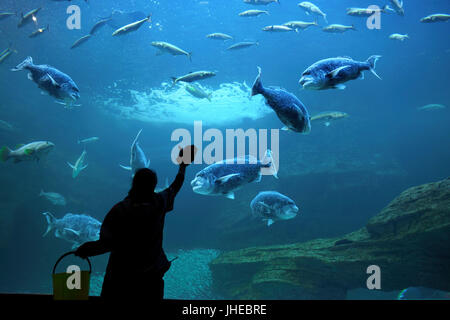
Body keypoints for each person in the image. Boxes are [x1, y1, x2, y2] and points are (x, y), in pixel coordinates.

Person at [75, 145, 197, 301]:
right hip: (151, 276)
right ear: (154, 186)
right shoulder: (159, 203)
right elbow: (175, 187)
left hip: (120, 277)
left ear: (134, 183)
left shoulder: (119, 210)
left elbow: (106, 244)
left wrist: (86, 249)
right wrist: (183, 166)